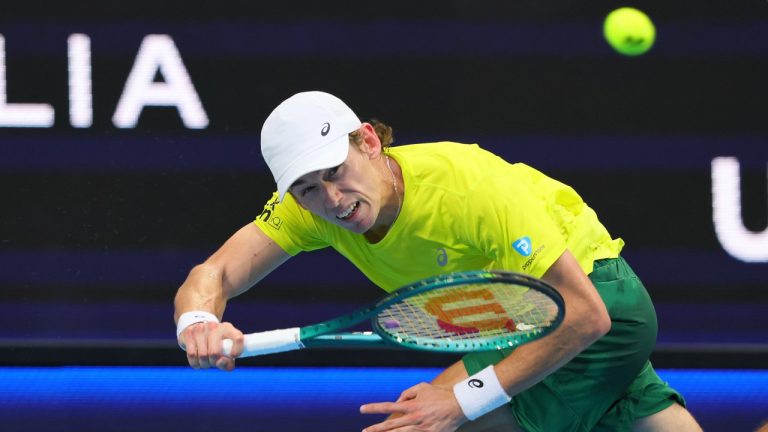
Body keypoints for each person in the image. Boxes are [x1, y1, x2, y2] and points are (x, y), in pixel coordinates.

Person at [174, 91, 702, 431]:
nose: (332, 201)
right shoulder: (308, 210)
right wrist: (198, 319)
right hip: (522, 320)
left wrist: (462, 402)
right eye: (308, 189)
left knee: (434, 422)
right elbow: (214, 274)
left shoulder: (467, 185)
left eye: (335, 172)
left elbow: (587, 316)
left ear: (369, 141)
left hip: (593, 302)